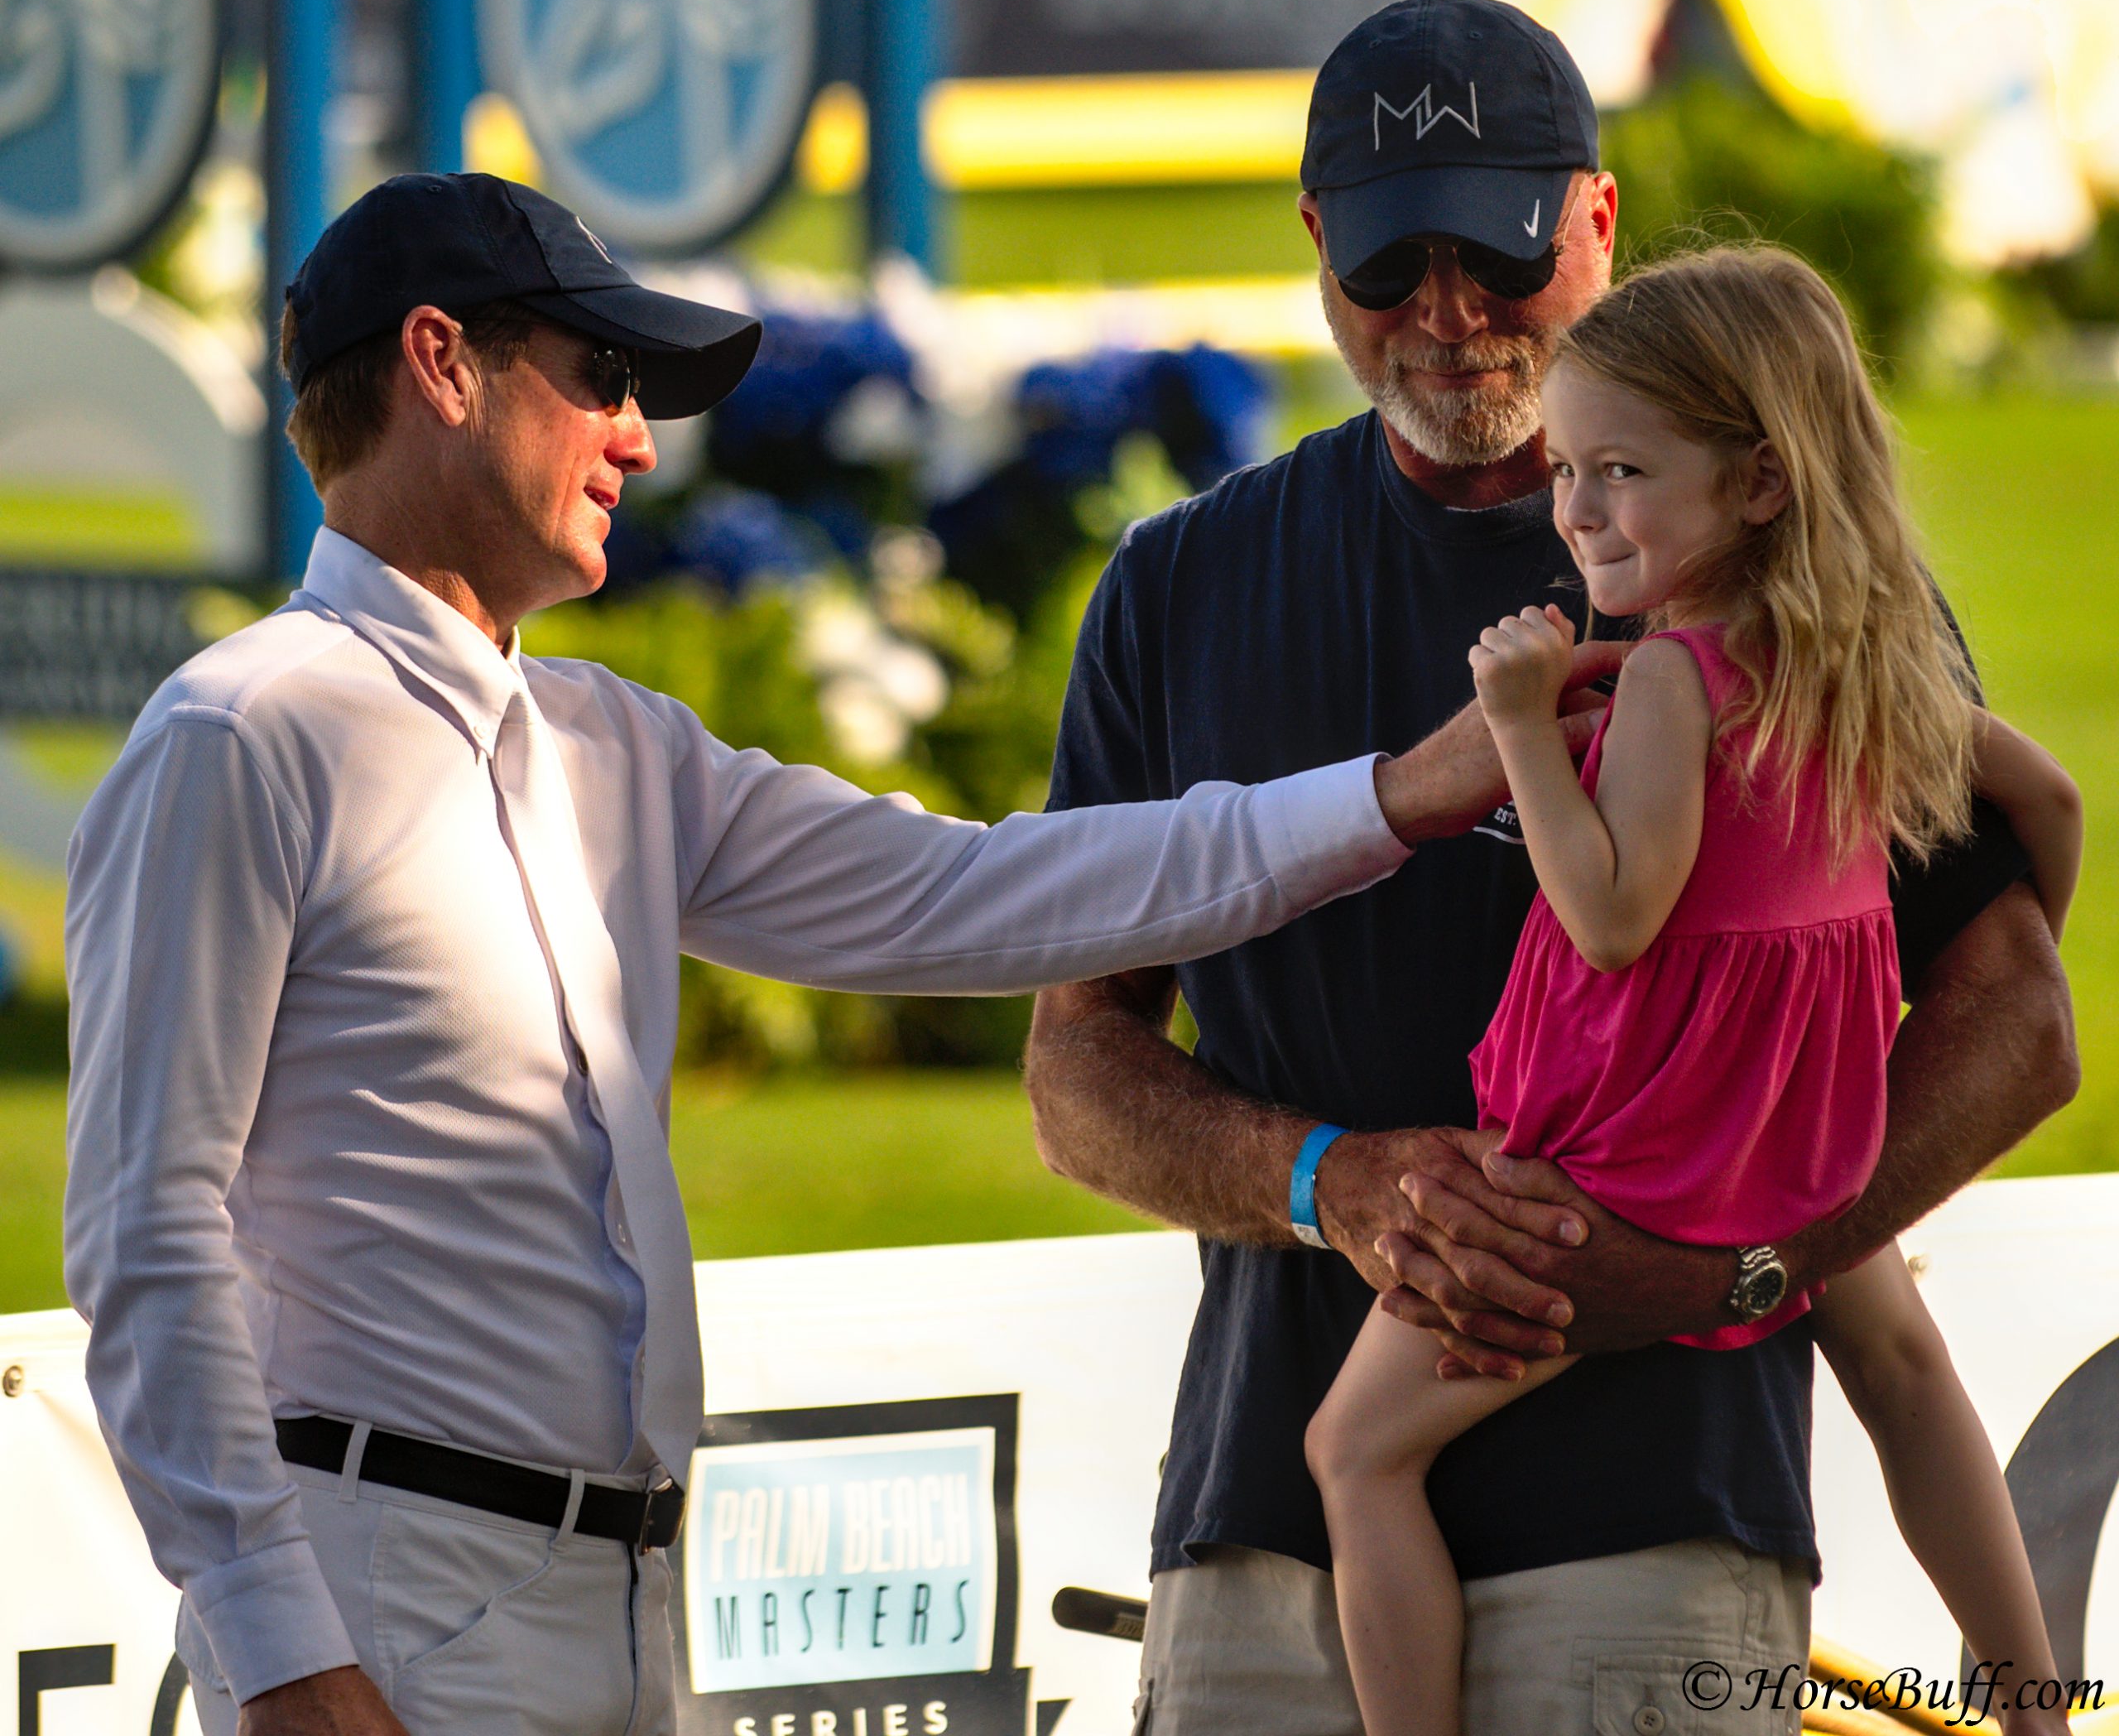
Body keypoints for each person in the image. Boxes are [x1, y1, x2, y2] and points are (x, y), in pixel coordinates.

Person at [62, 172, 1522, 1736]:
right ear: (439, 362)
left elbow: (987, 895)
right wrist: (278, 1647)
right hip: (384, 1603)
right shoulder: (238, 733)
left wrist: (1397, 797)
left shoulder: (609, 744)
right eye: (603, 378)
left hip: (619, 1605)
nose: (638, 434)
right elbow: (144, 1235)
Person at [1024, 0, 2078, 1736]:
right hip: (1258, 1557)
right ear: (1311, 246)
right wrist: (1327, 1179)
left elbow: (2013, 1017)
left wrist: (1744, 1258)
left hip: (1653, 1533)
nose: (1442, 311)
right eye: (1383, 262)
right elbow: (1074, 1063)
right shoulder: (1177, 583)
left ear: (1595, 217)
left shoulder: (1777, 571)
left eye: (1494, 250)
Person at [1302, 246, 2084, 1736]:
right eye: (1570, 471)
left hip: (1637, 1163)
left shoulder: (1669, 679)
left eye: (1621, 472)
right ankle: (2037, 1706)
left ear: (1762, 485)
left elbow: (1609, 916)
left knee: (1355, 1451)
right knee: (1904, 1363)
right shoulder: (1872, 667)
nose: (1579, 509)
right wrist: (1840, 997)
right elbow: (2047, 811)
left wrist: (1521, 724)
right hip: (1803, 1140)